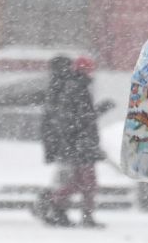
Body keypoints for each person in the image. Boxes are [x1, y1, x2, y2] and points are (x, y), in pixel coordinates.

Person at [36, 54, 111, 229]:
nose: (93, 73)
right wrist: (98, 112)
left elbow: (75, 119)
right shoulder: (78, 89)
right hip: (81, 145)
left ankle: (57, 206)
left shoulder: (73, 87)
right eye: (91, 70)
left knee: (79, 183)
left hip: (77, 145)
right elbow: (79, 119)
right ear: (86, 71)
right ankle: (65, 209)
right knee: (87, 183)